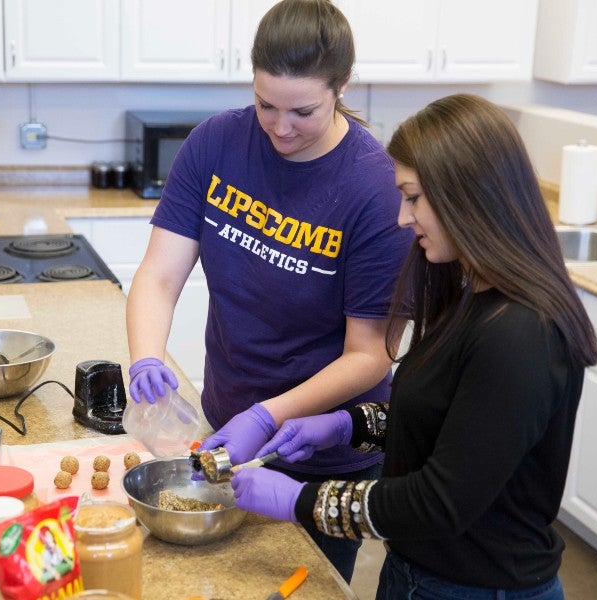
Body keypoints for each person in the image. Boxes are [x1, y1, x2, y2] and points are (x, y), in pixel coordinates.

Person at [229, 93, 597, 600]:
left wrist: (302, 500)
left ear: (468, 195)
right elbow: (449, 420)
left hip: (477, 589)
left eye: (414, 197)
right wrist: (349, 425)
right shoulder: (475, 295)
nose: (403, 219)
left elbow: (439, 502)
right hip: (417, 576)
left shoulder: (521, 334)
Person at [125, 0, 412, 581]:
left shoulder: (374, 188)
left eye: (302, 111)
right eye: (265, 105)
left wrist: (269, 415)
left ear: (342, 87)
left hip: (323, 456)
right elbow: (158, 274)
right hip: (222, 431)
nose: (280, 127)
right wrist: (146, 355)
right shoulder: (216, 144)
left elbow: (370, 353)